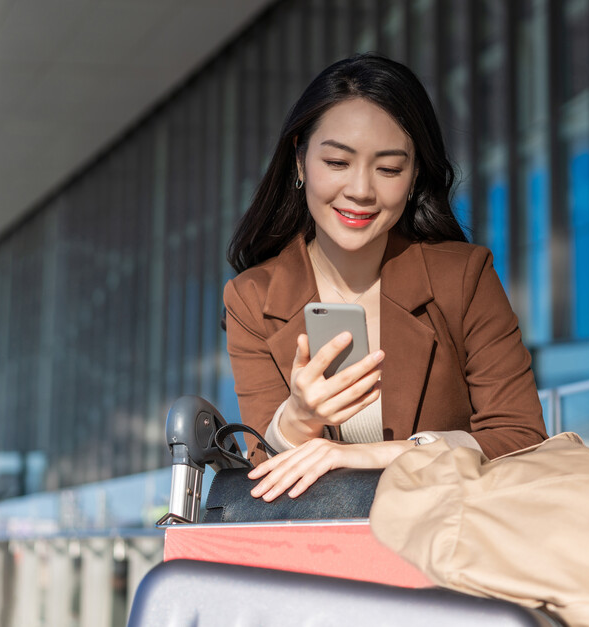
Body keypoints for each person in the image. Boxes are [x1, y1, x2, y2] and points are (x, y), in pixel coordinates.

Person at [223, 53, 547, 502]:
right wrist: (297, 418)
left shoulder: (463, 278)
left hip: (443, 549)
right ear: (299, 162)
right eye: (337, 162)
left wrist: (380, 455)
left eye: (389, 169)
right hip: (318, 559)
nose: (360, 190)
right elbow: (265, 473)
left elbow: (521, 438)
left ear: (415, 176)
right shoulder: (252, 299)